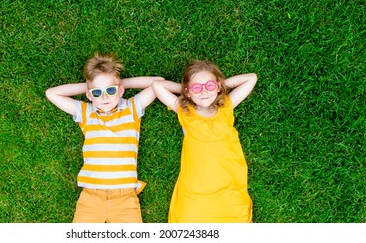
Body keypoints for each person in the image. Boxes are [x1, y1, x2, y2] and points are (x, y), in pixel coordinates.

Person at [45, 52, 163, 223]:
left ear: (120, 90)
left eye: (110, 90)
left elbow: (157, 83)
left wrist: (119, 82)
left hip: (125, 198)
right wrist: (91, 85)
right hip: (91, 197)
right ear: (89, 95)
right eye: (97, 93)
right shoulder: (86, 112)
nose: (105, 96)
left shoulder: (132, 109)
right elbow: (52, 94)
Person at [152, 59, 257, 223]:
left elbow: (251, 78)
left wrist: (219, 86)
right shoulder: (185, 112)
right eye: (197, 87)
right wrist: (187, 91)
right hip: (196, 192)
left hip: (228, 187)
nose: (203, 92)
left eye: (209, 86)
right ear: (187, 91)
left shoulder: (226, 107)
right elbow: (158, 86)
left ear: (218, 87)